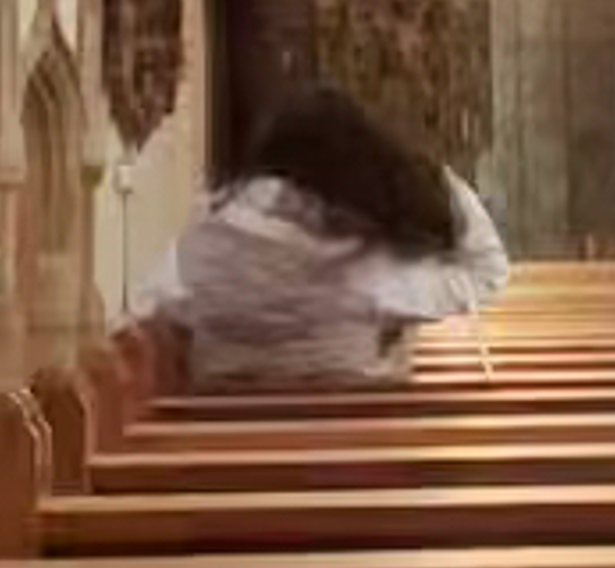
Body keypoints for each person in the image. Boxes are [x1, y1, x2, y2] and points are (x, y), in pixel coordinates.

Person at [141, 83, 508, 391]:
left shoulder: (208, 232)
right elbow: (486, 271)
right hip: (351, 439)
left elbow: (161, 302)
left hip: (215, 438)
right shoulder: (368, 269)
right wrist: (434, 178)